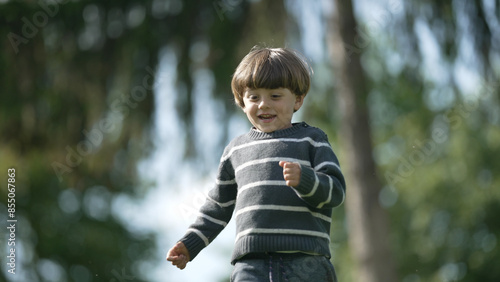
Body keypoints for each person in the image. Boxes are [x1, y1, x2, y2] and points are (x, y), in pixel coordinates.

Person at [167, 46, 346, 281]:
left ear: (298, 100)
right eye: (254, 97)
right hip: (251, 265)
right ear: (242, 101)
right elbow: (217, 207)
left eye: (275, 96)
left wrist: (306, 180)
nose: (263, 104)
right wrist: (190, 244)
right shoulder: (235, 150)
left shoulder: (312, 140)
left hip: (306, 262)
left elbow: (336, 192)